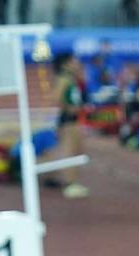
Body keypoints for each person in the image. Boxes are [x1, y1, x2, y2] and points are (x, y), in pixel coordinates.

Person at [51, 53, 89, 198]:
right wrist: (68, 108)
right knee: (70, 151)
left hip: (75, 119)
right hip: (68, 120)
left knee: (77, 151)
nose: (77, 63)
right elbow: (56, 98)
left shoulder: (73, 78)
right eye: (74, 60)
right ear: (65, 64)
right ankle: (69, 183)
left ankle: (73, 182)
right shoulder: (64, 79)